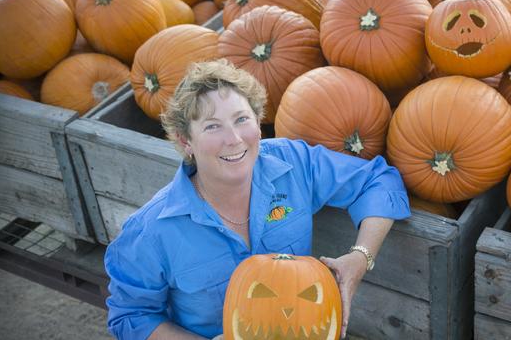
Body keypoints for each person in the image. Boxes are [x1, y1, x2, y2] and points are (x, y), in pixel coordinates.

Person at [104, 59, 411, 340]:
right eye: (213, 126)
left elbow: (377, 179)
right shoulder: (153, 230)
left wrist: (361, 257)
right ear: (187, 142)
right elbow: (131, 316)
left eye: (241, 119)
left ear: (258, 123)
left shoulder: (294, 164)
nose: (234, 139)